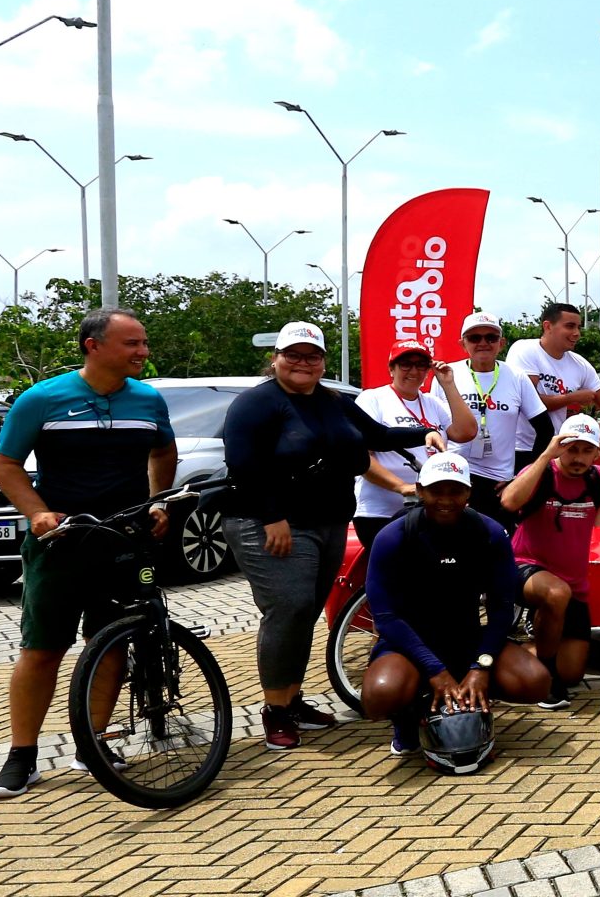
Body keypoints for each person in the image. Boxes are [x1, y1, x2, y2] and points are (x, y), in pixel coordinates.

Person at [0, 308, 177, 800]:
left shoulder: (148, 400)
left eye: (145, 342)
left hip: (123, 539)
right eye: (132, 343)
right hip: (62, 541)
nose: (143, 352)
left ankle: (93, 742)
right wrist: (37, 513)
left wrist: (156, 502)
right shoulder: (43, 398)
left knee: (110, 641)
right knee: (43, 647)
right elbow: (4, 462)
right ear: (94, 346)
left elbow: (162, 451)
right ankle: (21, 756)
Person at [220, 322, 436, 749]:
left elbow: (378, 436)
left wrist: (423, 433)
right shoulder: (256, 404)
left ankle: (293, 699)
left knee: (306, 611)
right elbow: (243, 466)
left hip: (329, 521)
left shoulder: (333, 401)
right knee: (290, 608)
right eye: (293, 355)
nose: (303, 363)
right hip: (271, 521)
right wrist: (271, 517)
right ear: (276, 358)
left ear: (322, 361)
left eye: (312, 356)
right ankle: (275, 710)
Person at [362, 452, 550, 755]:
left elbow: (501, 608)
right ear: (420, 491)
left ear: (469, 493)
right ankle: (410, 715)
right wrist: (434, 669)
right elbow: (385, 617)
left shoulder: (489, 534)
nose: (445, 500)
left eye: (455, 491)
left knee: (536, 682)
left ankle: (471, 703)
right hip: (409, 645)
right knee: (380, 696)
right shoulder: (393, 537)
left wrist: (481, 666)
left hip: (466, 639)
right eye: (436, 491)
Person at [499, 414, 600, 707]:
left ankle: (505, 654)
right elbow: (510, 501)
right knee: (555, 593)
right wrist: (546, 455)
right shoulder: (544, 472)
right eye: (571, 448)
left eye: (587, 450)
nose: (578, 458)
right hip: (525, 568)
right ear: (560, 446)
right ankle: (548, 680)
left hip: (575, 584)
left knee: (573, 672)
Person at [352, 340, 476, 546]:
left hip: (427, 511)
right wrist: (403, 487)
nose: (414, 371)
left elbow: (466, 431)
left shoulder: (432, 402)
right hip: (380, 511)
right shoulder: (372, 398)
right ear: (391, 369)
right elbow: (361, 457)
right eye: (406, 364)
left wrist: (448, 385)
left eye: (421, 365)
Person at [446, 311, 549, 526]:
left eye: (491, 338)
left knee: (496, 548)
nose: (483, 343)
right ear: (462, 343)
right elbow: (435, 428)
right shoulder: (447, 375)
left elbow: (545, 430)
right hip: (456, 477)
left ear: (501, 343)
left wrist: (522, 476)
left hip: (499, 482)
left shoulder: (516, 376)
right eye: (475, 338)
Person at [508, 303, 600, 455]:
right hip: (521, 449)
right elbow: (527, 402)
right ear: (547, 326)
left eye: (579, 327)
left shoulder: (580, 364)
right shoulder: (525, 350)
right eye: (570, 326)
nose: (577, 333)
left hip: (559, 450)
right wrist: (572, 398)